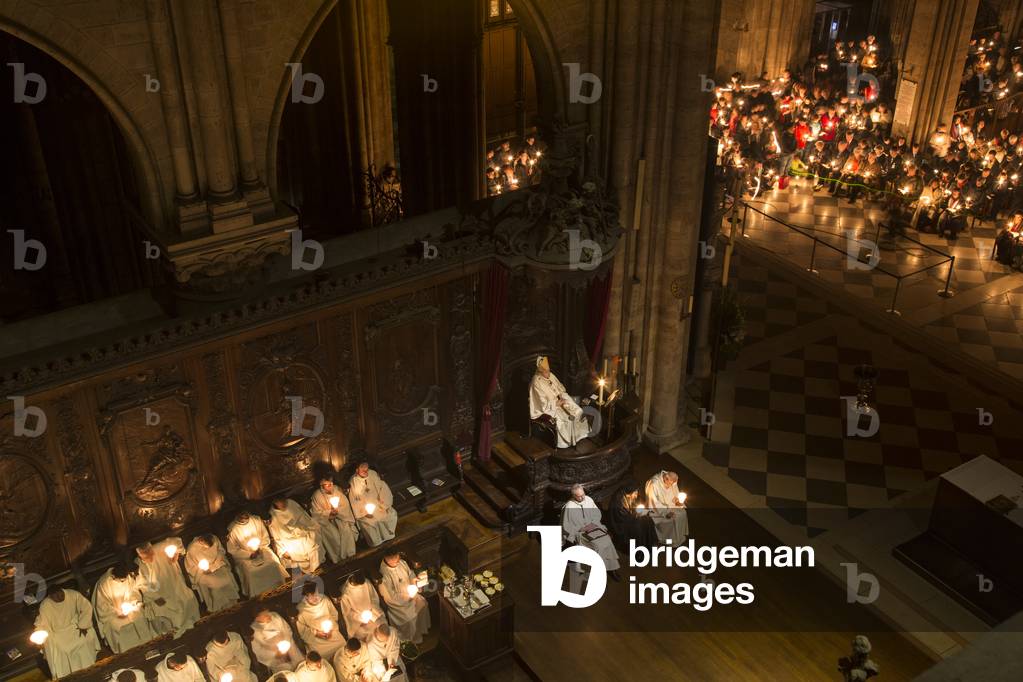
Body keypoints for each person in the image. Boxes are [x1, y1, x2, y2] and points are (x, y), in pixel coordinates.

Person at [135, 540, 200, 638]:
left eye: (150, 554)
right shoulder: (141, 566)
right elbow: (143, 585)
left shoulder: (160, 547)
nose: (149, 558)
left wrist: (176, 554)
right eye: (146, 557)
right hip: (161, 593)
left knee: (185, 600)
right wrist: (156, 597)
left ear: (151, 549)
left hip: (174, 582)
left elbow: (178, 542)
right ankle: (178, 634)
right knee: (166, 612)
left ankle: (193, 628)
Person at [32, 587, 100, 677]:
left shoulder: (73, 594)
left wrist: (83, 625)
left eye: (61, 594)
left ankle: (89, 667)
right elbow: (41, 623)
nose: (60, 598)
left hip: (75, 626)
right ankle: (70, 672)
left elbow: (86, 607)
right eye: (56, 597)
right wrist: (39, 634)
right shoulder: (46, 605)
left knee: (83, 641)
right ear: (51, 597)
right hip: (57, 633)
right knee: (64, 649)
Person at [561, 484, 622, 581]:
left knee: (607, 540)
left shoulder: (588, 500)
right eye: (579, 496)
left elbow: (597, 514)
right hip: (580, 533)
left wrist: (593, 523)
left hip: (593, 528)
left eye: (583, 494)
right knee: (597, 546)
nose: (582, 497)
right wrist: (580, 528)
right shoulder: (569, 506)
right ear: (573, 496)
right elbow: (566, 526)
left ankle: (611, 568)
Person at [92, 562, 154, 654]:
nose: (123, 581)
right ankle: (128, 653)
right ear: (113, 576)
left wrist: (134, 603)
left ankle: (148, 647)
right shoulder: (103, 584)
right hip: (113, 615)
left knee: (139, 617)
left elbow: (134, 592)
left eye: (124, 579)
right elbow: (102, 608)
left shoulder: (128, 577)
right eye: (121, 580)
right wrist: (118, 612)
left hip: (130, 608)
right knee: (118, 627)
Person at [529, 355, 589, 448]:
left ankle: (579, 436)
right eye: (546, 372)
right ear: (540, 372)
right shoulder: (536, 382)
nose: (548, 373)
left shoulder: (550, 375)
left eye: (549, 370)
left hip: (560, 401)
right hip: (549, 408)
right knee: (568, 419)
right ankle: (565, 443)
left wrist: (562, 397)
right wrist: (556, 404)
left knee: (577, 411)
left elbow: (560, 388)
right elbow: (540, 403)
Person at [226, 511, 287, 597]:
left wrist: (259, 548)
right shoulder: (232, 528)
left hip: (262, 548)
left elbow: (265, 536)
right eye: (241, 515)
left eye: (245, 514)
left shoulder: (256, 519)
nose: (244, 516)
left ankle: (279, 586)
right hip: (245, 556)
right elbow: (233, 549)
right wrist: (248, 554)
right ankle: (257, 594)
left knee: (273, 564)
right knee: (252, 572)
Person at [378, 551, 430, 644]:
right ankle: (412, 640)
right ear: (387, 559)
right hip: (399, 605)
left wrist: (414, 581)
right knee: (409, 618)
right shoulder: (384, 574)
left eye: (398, 557)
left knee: (423, 603)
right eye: (395, 558)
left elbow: (410, 574)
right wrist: (408, 597)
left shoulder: (402, 563)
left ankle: (421, 632)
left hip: (411, 595)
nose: (398, 560)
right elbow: (390, 597)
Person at [185, 533, 241, 613]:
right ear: (201, 540)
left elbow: (221, 551)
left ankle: (231, 603)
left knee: (226, 579)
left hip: (217, 565)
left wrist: (216, 564)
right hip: (202, 573)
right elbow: (191, 568)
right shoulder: (192, 549)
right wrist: (203, 569)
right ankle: (218, 608)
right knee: (215, 586)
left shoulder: (214, 538)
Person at [269, 497, 325, 574]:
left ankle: (314, 567)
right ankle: (308, 569)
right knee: (296, 550)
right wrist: (282, 550)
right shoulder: (274, 514)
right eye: (279, 503)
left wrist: (299, 528)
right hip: (288, 538)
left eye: (283, 502)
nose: (283, 505)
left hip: (302, 532)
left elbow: (304, 518)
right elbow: (276, 533)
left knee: (312, 542)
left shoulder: (291, 504)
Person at [348, 462, 398, 546]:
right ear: (357, 470)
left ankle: (388, 538)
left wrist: (384, 505)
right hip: (364, 510)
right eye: (362, 468)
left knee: (390, 516)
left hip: (378, 505)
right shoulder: (353, 481)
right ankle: (376, 543)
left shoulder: (373, 474)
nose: (365, 470)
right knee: (370, 523)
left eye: (366, 468)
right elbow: (354, 499)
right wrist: (365, 512)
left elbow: (382, 487)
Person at [310, 478, 359, 563]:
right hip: (326, 522)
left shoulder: (337, 490)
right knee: (334, 537)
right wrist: (329, 513)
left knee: (346, 532)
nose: (330, 487)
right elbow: (316, 513)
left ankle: (350, 555)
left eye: (331, 484)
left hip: (341, 518)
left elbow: (345, 505)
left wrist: (338, 512)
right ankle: (338, 559)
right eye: (327, 485)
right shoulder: (317, 495)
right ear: (322, 485)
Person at [296, 583, 347, 659]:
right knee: (320, 654)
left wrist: (329, 628)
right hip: (315, 638)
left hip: (332, 632)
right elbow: (302, 630)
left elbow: (334, 615)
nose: (316, 598)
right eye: (312, 596)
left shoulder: (325, 600)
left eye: (317, 594)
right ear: (306, 597)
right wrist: (316, 633)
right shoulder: (301, 609)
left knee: (342, 646)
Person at [643, 471, 690, 544]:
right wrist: (666, 512)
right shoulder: (653, 484)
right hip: (658, 510)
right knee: (674, 519)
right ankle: (670, 540)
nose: (671, 485)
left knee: (683, 513)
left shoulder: (671, 480)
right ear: (666, 479)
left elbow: (675, 493)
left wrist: (677, 501)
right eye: (670, 483)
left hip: (671, 506)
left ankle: (680, 536)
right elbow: (653, 503)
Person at [338, 573, 385, 642]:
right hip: (358, 621)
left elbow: (373, 598)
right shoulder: (345, 592)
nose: (360, 586)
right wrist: (361, 619)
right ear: (352, 582)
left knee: (382, 625)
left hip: (372, 612)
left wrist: (372, 614)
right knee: (363, 634)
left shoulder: (366, 582)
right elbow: (348, 612)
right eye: (358, 585)